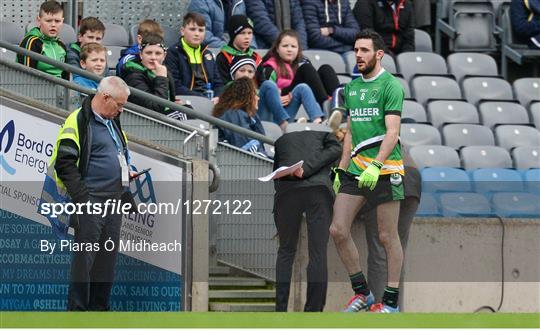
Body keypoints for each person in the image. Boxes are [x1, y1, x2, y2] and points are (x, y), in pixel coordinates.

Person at [330, 30, 405, 313]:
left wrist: (376, 165)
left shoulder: (391, 86)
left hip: (386, 169)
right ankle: (363, 294)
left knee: (387, 236)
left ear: (379, 54)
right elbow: (350, 132)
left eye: (364, 50)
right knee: (337, 229)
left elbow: (392, 132)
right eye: (356, 50)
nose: (358, 55)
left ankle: (391, 302)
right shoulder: (352, 88)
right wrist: (341, 168)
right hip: (357, 169)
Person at [50, 76, 135, 310]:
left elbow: (121, 156)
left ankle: (99, 310)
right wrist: (83, 199)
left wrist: (127, 179)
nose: (120, 110)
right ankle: (77, 310)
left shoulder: (113, 121)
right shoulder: (78, 119)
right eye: (119, 105)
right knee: (84, 261)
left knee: (107, 261)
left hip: (114, 203)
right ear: (105, 97)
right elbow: (64, 163)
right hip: (91, 201)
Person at [272, 129, 342, 312]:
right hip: (318, 192)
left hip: (287, 194)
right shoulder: (327, 136)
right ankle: (313, 310)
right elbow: (336, 150)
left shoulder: (281, 140)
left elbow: (275, 175)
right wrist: (308, 169)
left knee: (285, 251)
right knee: (317, 252)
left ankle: (280, 309)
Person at [355, 143, 421, 308]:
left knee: (379, 250)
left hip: (387, 176)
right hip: (411, 178)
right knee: (397, 251)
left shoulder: (354, 142)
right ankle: (395, 309)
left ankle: (378, 309)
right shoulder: (381, 129)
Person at [256, 30, 329, 130]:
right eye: (285, 46)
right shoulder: (269, 68)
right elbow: (266, 91)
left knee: (303, 87)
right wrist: (277, 98)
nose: (289, 49)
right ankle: (285, 124)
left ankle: (319, 122)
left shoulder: (298, 65)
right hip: (269, 118)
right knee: (270, 85)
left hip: (287, 114)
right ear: (277, 48)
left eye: (293, 46)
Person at [122, 34, 187, 121]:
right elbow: (154, 108)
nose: (153, 57)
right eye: (148, 53)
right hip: (144, 121)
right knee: (183, 114)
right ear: (141, 55)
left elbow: (167, 101)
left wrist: (173, 103)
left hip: (160, 116)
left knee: (187, 109)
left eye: (158, 53)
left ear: (164, 56)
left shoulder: (164, 71)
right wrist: (161, 78)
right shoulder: (133, 76)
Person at [164, 12, 224, 100]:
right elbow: (175, 86)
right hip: (186, 101)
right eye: (192, 29)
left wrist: (217, 97)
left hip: (209, 100)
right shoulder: (173, 53)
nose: (197, 34)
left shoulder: (208, 54)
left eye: (201, 30)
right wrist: (203, 98)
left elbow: (218, 83)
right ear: (182, 31)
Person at [212, 77, 266, 155]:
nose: (258, 98)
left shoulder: (247, 115)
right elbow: (247, 151)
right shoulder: (233, 114)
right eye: (254, 94)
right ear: (246, 97)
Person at [17, 0, 68, 79]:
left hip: (59, 90)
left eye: (57, 21)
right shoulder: (31, 42)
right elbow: (25, 78)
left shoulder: (61, 45)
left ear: (62, 21)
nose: (53, 25)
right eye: (48, 21)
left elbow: (66, 77)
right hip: (38, 89)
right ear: (39, 20)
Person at [187, 0, 255, 48]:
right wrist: (230, 49)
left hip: (235, 50)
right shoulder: (200, 2)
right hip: (212, 52)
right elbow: (203, 35)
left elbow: (246, 29)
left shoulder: (239, 2)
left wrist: (251, 49)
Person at [215, 15, 262, 84]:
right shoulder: (223, 57)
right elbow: (223, 83)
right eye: (242, 33)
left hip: (255, 93)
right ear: (233, 35)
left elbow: (262, 82)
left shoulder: (256, 57)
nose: (247, 37)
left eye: (250, 33)